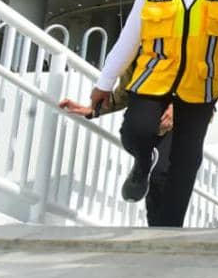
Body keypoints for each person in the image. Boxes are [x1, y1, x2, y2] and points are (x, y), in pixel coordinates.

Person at [85, 0, 218, 227]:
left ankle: (169, 230)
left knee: (186, 162)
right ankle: (143, 160)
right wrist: (104, 83)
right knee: (136, 132)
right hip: (152, 80)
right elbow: (129, 39)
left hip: (200, 87)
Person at [59, 90, 174, 225]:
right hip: (151, 102)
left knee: (163, 175)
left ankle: (164, 234)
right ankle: (144, 161)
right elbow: (125, 91)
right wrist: (94, 109)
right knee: (134, 138)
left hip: (190, 106)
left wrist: (176, 108)